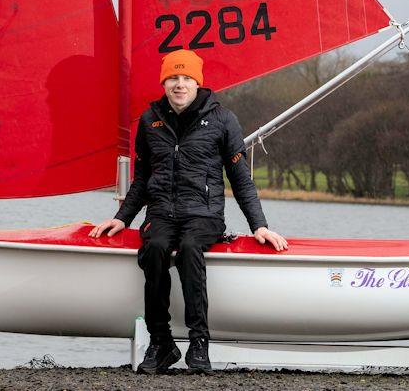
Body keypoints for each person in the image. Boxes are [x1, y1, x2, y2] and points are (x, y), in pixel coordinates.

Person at [89, 49, 288, 374]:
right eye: (173, 78)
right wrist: (122, 218)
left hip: (204, 215)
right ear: (164, 82)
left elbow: (241, 181)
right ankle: (161, 343)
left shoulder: (223, 119)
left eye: (186, 78)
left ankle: (199, 344)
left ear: (197, 82)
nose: (179, 84)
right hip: (162, 215)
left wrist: (260, 226)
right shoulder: (149, 120)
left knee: (191, 251)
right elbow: (141, 180)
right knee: (153, 250)